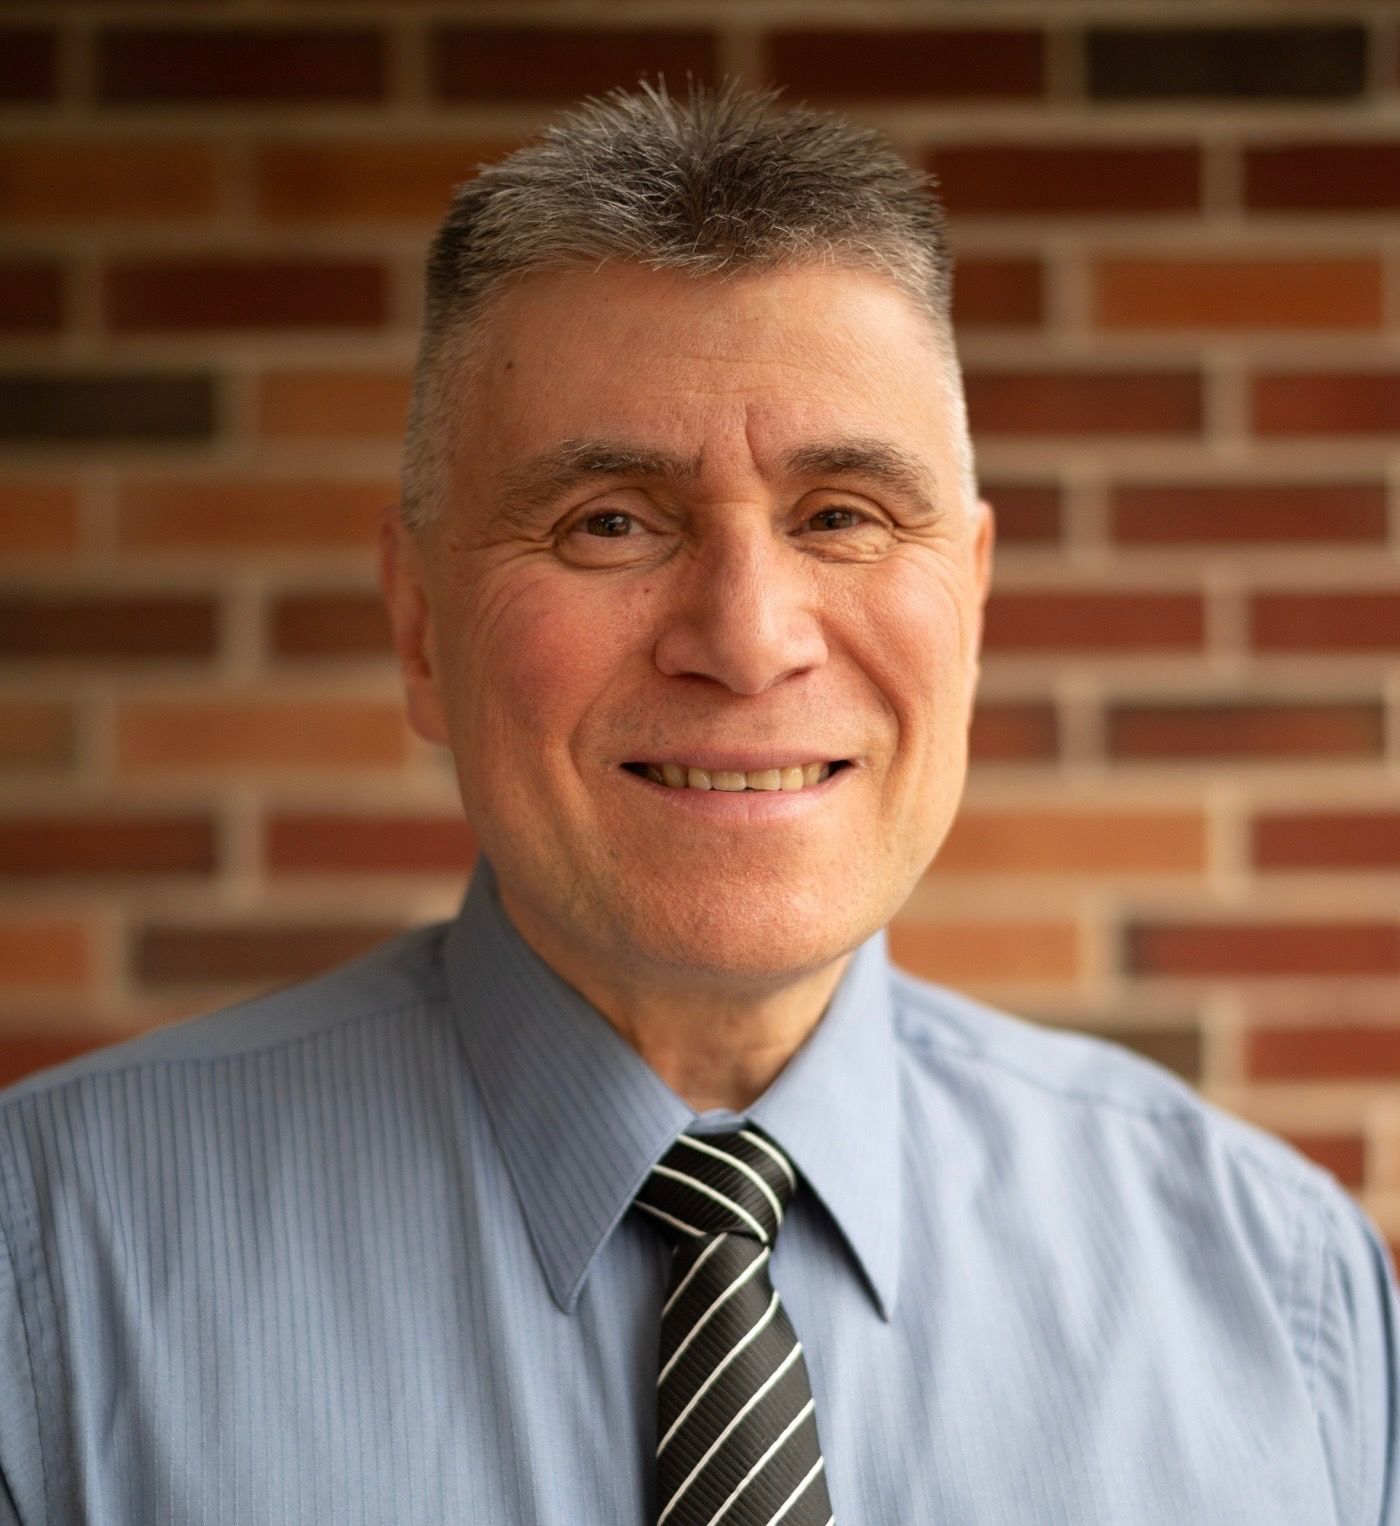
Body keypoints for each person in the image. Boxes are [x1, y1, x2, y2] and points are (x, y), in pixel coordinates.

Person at [1, 77, 1395, 1526]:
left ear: (971, 606)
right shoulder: (45, 1274)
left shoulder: (1284, 1293)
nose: (745, 636)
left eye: (843, 514)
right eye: (610, 521)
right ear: (422, 628)